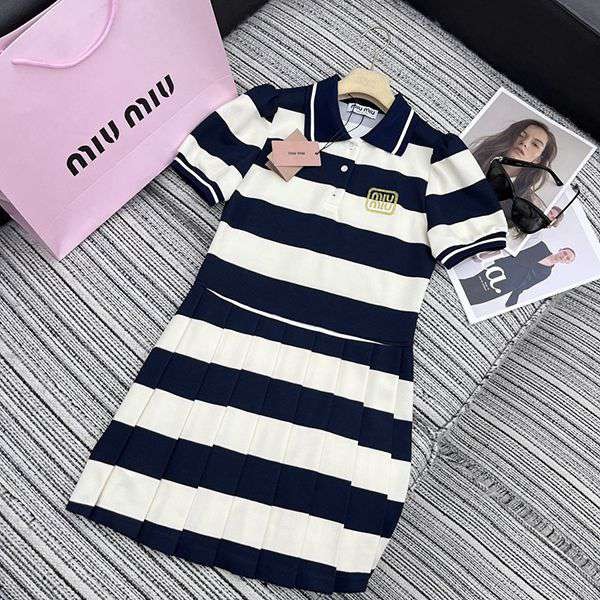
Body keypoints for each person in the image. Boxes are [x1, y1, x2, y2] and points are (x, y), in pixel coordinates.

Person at [470, 119, 561, 240]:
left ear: (539, 159)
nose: (524, 142)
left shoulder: (523, 204)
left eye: (535, 144)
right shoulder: (473, 158)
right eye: (521, 135)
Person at [460, 242, 575, 307]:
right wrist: (499, 260)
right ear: (560, 249)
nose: (564, 256)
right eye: (565, 253)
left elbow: (527, 285)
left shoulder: (546, 273)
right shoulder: (541, 246)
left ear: (567, 263)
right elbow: (517, 250)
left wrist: (514, 297)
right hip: (500, 270)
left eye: (567, 258)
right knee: (471, 283)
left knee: (477, 298)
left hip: (507, 285)